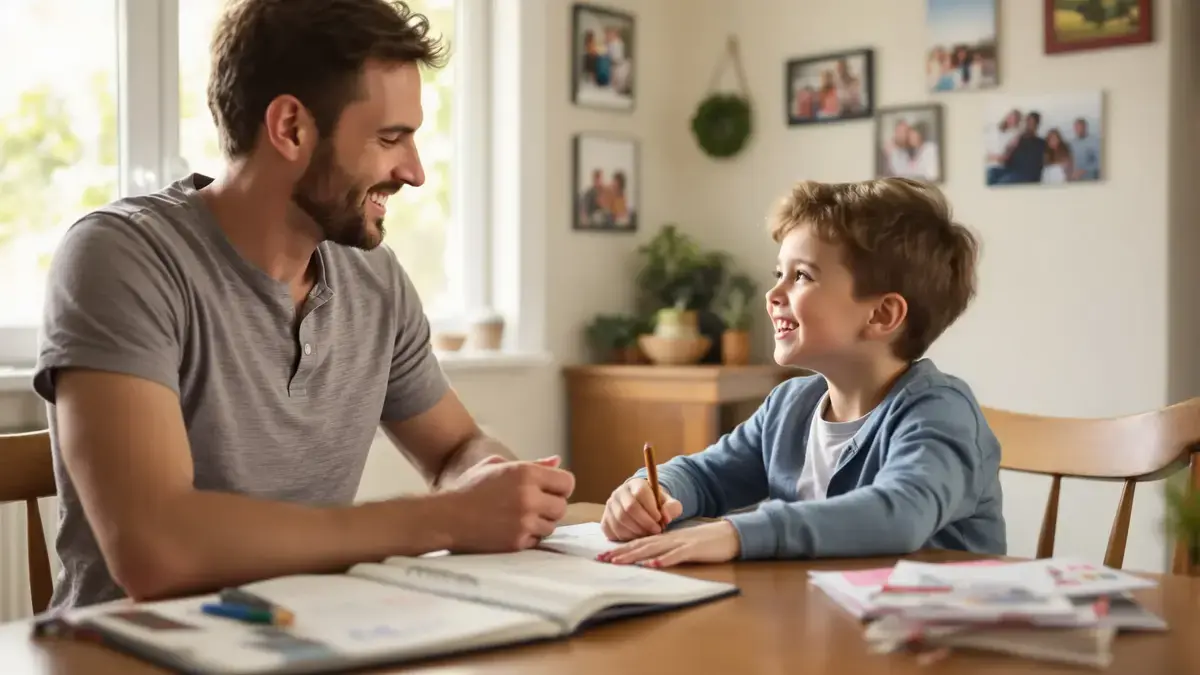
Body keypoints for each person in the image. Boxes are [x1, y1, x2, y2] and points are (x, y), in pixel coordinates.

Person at [34, 0, 574, 610]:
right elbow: (157, 550)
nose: (416, 172)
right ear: (290, 128)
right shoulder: (123, 257)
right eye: (390, 138)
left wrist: (492, 485)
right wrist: (446, 519)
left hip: (312, 636)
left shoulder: (374, 278)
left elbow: (455, 449)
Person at [597, 178, 1006, 568]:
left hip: (931, 632)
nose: (773, 295)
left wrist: (737, 534)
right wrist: (652, 492)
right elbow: (705, 476)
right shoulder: (789, 406)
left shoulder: (939, 412)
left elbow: (899, 514)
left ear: (882, 314)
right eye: (779, 274)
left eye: (802, 276)